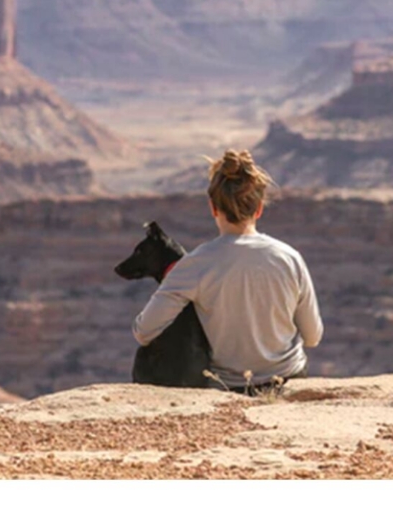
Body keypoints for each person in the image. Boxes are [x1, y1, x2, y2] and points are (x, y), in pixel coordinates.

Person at [132, 149, 323, 392]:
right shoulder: (289, 258)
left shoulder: (194, 264)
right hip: (288, 379)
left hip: (229, 388)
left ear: (213, 207)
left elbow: (143, 331)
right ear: (259, 208)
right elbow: (313, 337)